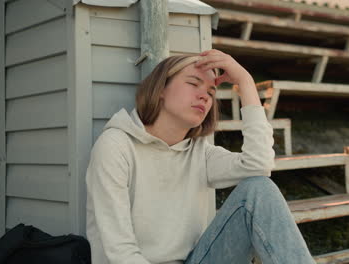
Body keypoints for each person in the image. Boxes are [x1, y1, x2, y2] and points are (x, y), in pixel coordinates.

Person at [85, 49, 316, 264]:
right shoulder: (116, 146)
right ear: (161, 89)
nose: (204, 97)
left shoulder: (199, 152)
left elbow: (259, 165)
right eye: (193, 83)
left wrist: (245, 81)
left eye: (210, 92)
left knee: (259, 189)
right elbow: (118, 251)